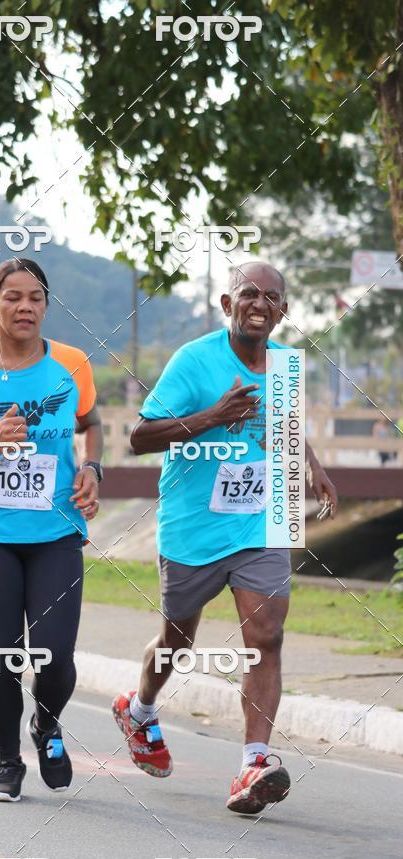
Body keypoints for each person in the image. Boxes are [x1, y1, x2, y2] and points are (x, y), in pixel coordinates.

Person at [112, 261, 338, 814]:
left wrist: (312, 465)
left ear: (283, 310)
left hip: (261, 522)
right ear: (226, 304)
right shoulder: (194, 360)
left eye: (271, 297)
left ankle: (252, 765)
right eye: (248, 294)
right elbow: (139, 438)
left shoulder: (286, 365)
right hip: (193, 527)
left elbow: (283, 425)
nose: (260, 303)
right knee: (176, 644)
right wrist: (214, 416)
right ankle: (138, 708)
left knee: (266, 636)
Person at [0, 258, 103, 802]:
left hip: (56, 530)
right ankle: (7, 762)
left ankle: (47, 725)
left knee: (55, 659)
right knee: (5, 654)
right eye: (13, 297)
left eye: (35, 297)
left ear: (46, 305)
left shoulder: (73, 364)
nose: (25, 306)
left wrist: (92, 469)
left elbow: (91, 423)